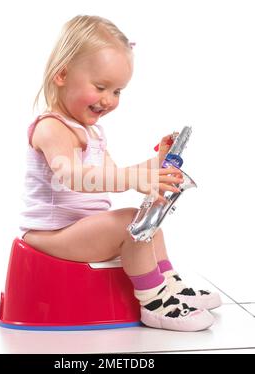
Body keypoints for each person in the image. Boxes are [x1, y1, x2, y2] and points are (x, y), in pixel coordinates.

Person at [19, 15, 221, 332]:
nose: (108, 100)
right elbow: (74, 176)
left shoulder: (94, 133)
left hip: (78, 230)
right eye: (100, 87)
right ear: (62, 75)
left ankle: (167, 285)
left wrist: (157, 166)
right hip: (51, 236)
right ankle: (154, 302)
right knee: (132, 224)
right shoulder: (51, 127)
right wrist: (132, 178)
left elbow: (112, 174)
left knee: (149, 224)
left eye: (117, 92)